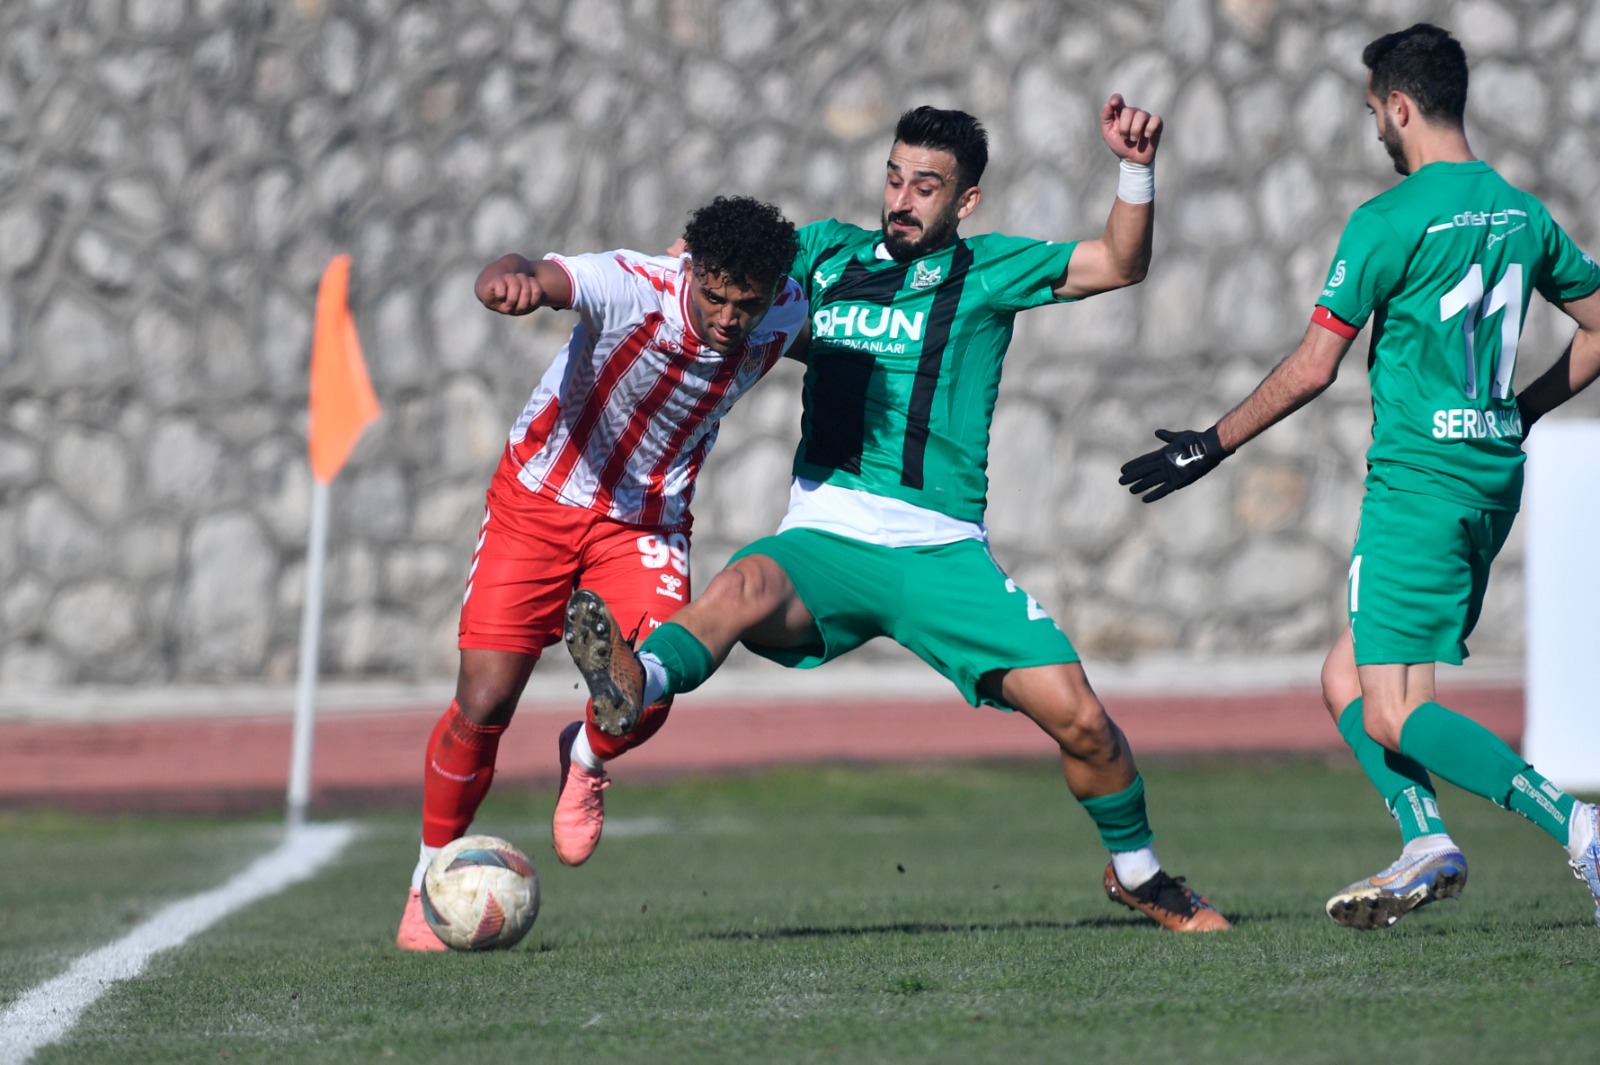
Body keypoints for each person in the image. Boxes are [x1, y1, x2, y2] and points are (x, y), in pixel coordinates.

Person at [562, 99, 1232, 933]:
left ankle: (1140, 874)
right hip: (825, 537)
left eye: (925, 186)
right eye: (894, 178)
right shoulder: (824, 253)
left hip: (940, 552)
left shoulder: (988, 270)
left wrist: (1135, 167)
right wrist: (670, 270)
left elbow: (1120, 262)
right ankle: (632, 686)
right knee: (740, 587)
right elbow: (709, 272)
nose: (902, 199)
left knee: (1084, 721)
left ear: (966, 200)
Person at [1118, 23, 1600, 930]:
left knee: (1392, 711)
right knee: (1345, 675)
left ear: (1402, 107)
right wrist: (1522, 411)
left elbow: (1313, 367)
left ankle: (1579, 827)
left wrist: (1209, 445)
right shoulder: (1519, 212)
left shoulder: (1387, 220)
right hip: (1487, 482)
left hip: (1417, 487)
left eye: (1376, 110)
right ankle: (1425, 840)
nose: (1375, 127)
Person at [395, 195, 808, 951]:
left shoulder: (786, 313)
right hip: (539, 500)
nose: (727, 318)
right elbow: (536, 271)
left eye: (744, 305)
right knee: (483, 701)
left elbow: (838, 336)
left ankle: (584, 756)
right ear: (691, 268)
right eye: (714, 296)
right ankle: (427, 884)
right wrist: (508, 282)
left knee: (653, 679)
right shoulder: (633, 285)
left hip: (646, 522)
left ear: (773, 293)